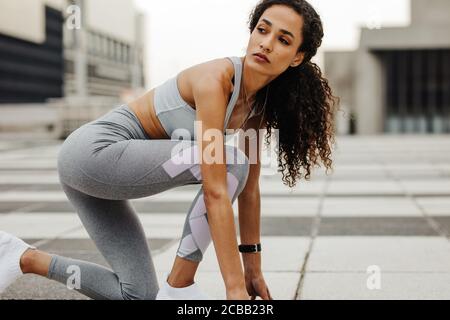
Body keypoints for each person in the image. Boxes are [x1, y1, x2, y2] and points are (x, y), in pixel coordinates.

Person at [0, 0, 338, 300]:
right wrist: (234, 288)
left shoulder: (259, 107)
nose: (266, 43)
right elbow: (216, 189)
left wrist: (254, 271)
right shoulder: (215, 80)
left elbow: (249, 190)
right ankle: (181, 285)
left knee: (138, 294)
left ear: (298, 57)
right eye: (262, 30)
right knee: (228, 161)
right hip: (90, 154)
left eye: (283, 39)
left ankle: (20, 256)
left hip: (99, 179)